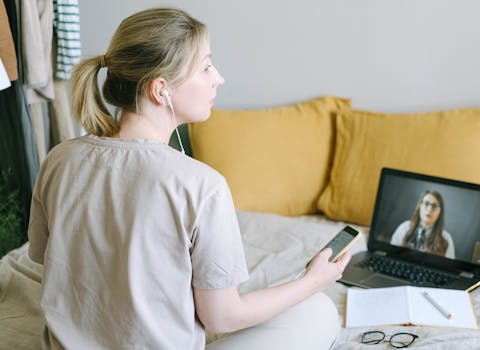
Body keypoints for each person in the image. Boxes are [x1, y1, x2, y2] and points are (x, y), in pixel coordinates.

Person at [27, 7, 351, 350]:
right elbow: (221, 318)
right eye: (206, 67)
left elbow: (49, 261)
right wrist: (313, 281)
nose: (218, 78)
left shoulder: (57, 159)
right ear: (160, 90)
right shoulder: (201, 185)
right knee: (318, 310)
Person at [390, 190, 455, 259]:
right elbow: (391, 254)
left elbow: (449, 267)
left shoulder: (446, 238)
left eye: (435, 206)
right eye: (426, 204)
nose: (429, 209)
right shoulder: (404, 228)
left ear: (440, 212)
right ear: (419, 207)